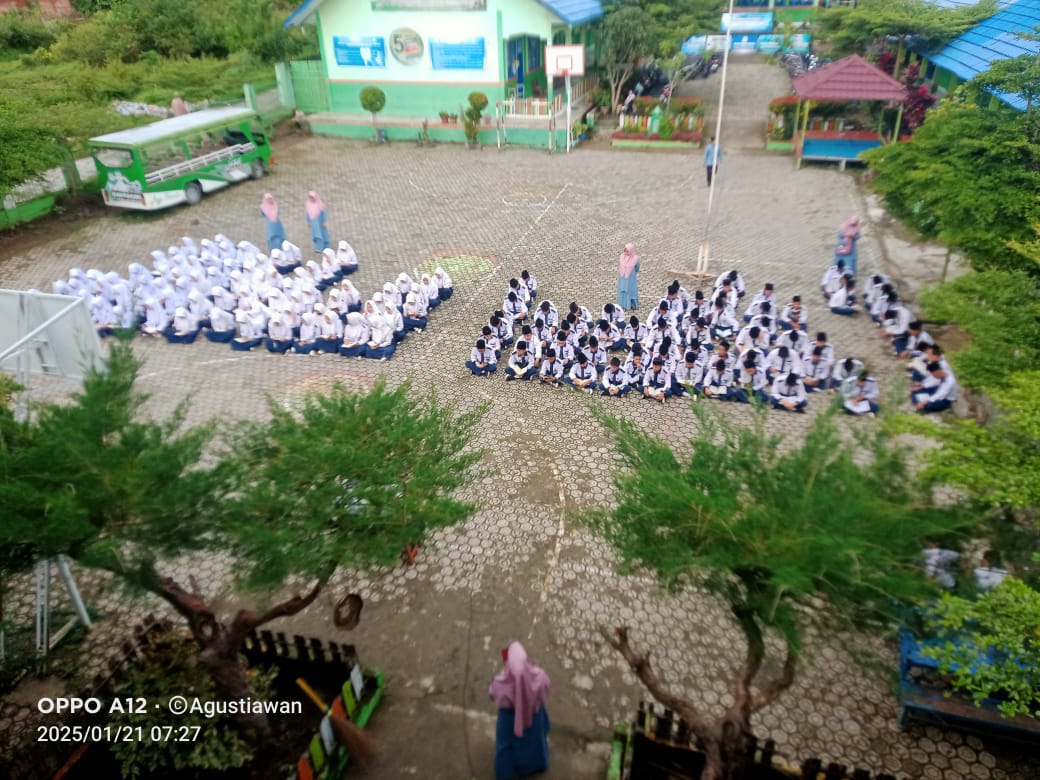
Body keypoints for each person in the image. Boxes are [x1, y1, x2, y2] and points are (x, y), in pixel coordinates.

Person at [490, 642, 551, 780]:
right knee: (535, 741)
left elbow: (493, 694)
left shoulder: (499, 686)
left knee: (507, 745)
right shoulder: (540, 678)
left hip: (509, 722)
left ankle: (506, 772)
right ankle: (537, 764)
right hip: (534, 717)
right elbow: (547, 689)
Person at [617, 243, 640, 311]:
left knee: (631, 291)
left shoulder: (635, 258)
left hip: (630, 278)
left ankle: (633, 304)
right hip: (622, 278)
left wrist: (631, 272)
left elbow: (637, 267)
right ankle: (622, 305)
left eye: (627, 251)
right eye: (625, 250)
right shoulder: (622, 256)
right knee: (622, 291)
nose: (625, 252)